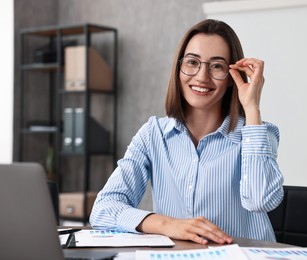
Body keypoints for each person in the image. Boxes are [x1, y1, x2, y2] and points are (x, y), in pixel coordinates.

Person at [90, 19, 284, 245]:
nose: (202, 76)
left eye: (217, 66)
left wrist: (252, 107)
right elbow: (103, 209)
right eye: (192, 62)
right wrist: (167, 225)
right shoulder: (154, 134)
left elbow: (260, 200)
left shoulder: (257, 133)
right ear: (179, 68)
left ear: (232, 78)